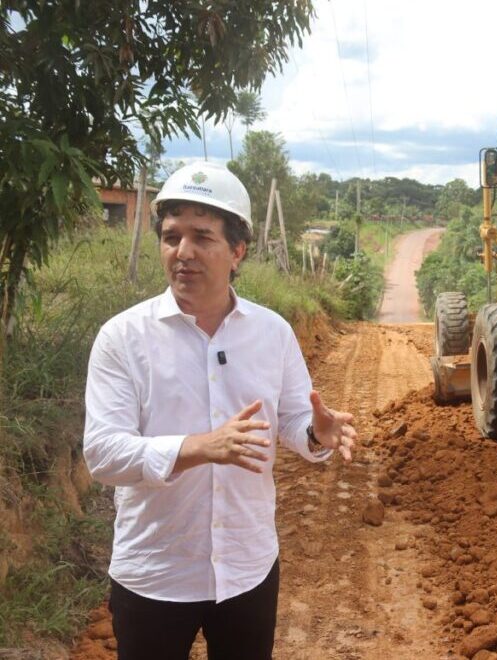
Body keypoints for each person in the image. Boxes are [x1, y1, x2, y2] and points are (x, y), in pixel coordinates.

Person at [83, 162, 357, 660]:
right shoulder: (123, 338)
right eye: (171, 236)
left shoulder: (272, 333)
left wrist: (317, 433)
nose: (182, 252)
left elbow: (295, 422)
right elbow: (103, 454)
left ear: (237, 251)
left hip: (248, 569)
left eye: (202, 237)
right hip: (155, 575)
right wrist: (199, 447)